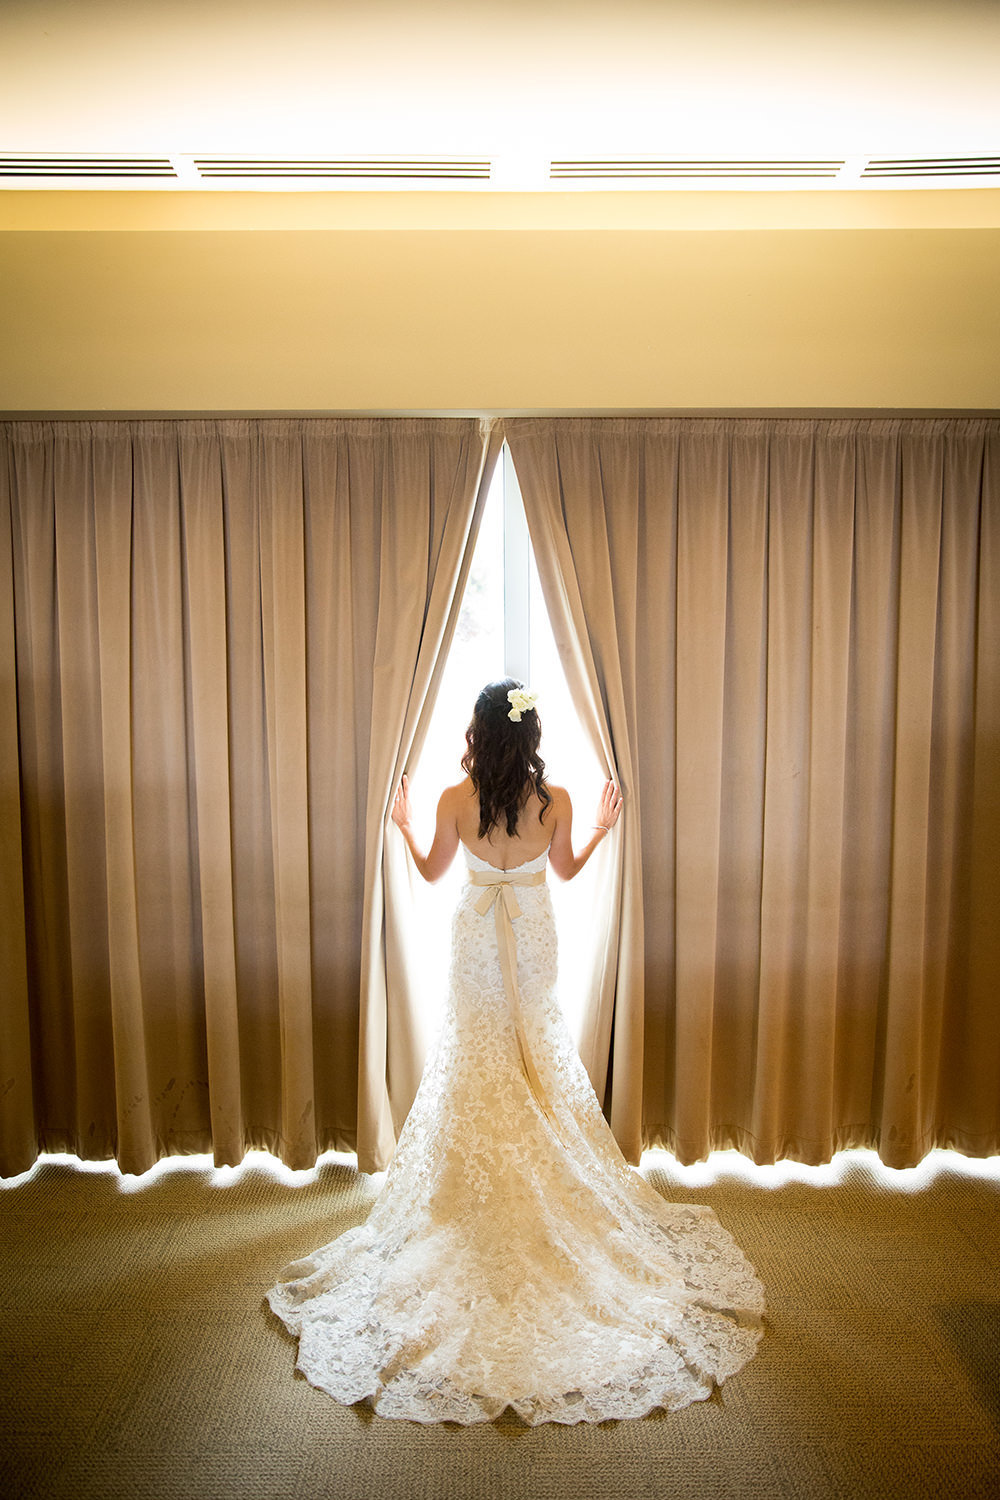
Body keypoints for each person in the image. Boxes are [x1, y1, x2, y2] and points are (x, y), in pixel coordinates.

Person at [267, 680, 764, 1425]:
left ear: (477, 733)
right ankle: (541, 1171)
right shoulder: (554, 797)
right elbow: (564, 871)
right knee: (534, 1050)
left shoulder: (454, 798)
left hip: (476, 931)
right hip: (531, 932)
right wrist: (597, 829)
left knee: (477, 1049)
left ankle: (475, 1192)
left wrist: (404, 825)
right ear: (530, 736)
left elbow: (435, 872)